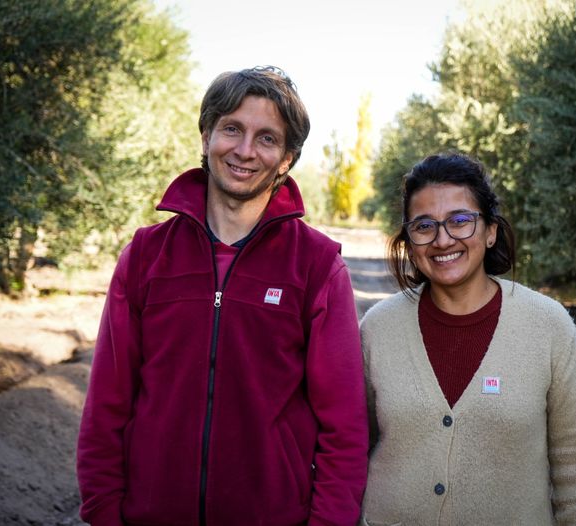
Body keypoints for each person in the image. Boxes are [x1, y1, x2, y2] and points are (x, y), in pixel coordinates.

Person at [77, 66, 368, 526]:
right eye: (232, 128)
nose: (245, 150)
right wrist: (103, 512)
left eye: (267, 138)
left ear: (287, 159)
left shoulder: (316, 265)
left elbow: (344, 426)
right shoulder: (145, 256)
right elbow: (107, 403)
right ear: (207, 135)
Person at [359, 152, 576, 525]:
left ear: (490, 231)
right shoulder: (377, 328)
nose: (442, 240)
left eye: (460, 221)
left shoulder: (550, 327)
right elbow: (350, 447)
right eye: (424, 226)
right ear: (409, 240)